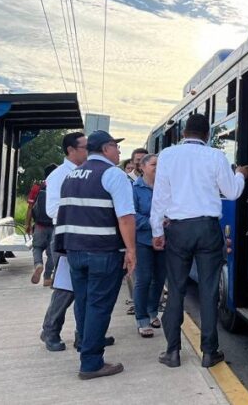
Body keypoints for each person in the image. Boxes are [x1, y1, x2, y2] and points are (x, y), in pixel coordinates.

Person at [150, 113, 248, 368]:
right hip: (207, 229)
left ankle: (172, 352)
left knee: (176, 290)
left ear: (184, 133)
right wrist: (239, 175)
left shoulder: (168, 156)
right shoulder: (216, 156)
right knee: (208, 290)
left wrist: (157, 233)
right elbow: (232, 192)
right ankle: (209, 352)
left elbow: (160, 197)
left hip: (178, 230)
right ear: (207, 134)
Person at [56, 130, 136, 380]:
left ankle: (85, 344)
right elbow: (125, 218)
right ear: (104, 148)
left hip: (75, 251)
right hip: (103, 251)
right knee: (99, 306)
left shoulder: (71, 175)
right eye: (116, 146)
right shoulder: (113, 175)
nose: (119, 152)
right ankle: (91, 362)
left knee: (83, 302)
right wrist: (131, 250)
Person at [39, 132, 88, 352]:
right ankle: (50, 331)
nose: (89, 151)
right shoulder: (60, 175)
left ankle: (83, 335)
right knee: (66, 289)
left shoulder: (83, 172)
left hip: (84, 237)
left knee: (85, 289)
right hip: (67, 238)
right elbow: (52, 210)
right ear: (71, 150)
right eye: (85, 147)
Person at [132, 153, 166, 337]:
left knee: (160, 279)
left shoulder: (166, 187)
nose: (157, 168)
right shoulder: (135, 188)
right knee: (143, 279)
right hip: (143, 240)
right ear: (143, 167)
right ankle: (142, 318)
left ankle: (153, 311)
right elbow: (132, 215)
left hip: (163, 241)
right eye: (154, 164)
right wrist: (157, 223)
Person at [27, 163, 58, 286]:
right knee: (52, 252)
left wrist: (27, 224)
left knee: (37, 247)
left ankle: (38, 264)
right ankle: (47, 277)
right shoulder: (57, 186)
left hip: (39, 225)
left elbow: (30, 207)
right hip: (54, 224)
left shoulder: (37, 188)